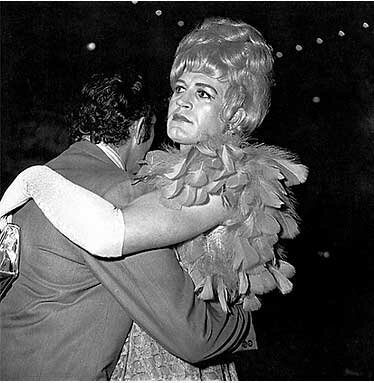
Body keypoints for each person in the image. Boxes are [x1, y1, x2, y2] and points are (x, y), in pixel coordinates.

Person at [0, 17, 308, 380]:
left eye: (203, 93)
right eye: (179, 88)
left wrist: (34, 179)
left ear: (237, 114)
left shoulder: (223, 183)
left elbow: (109, 232)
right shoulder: (164, 175)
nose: (182, 101)